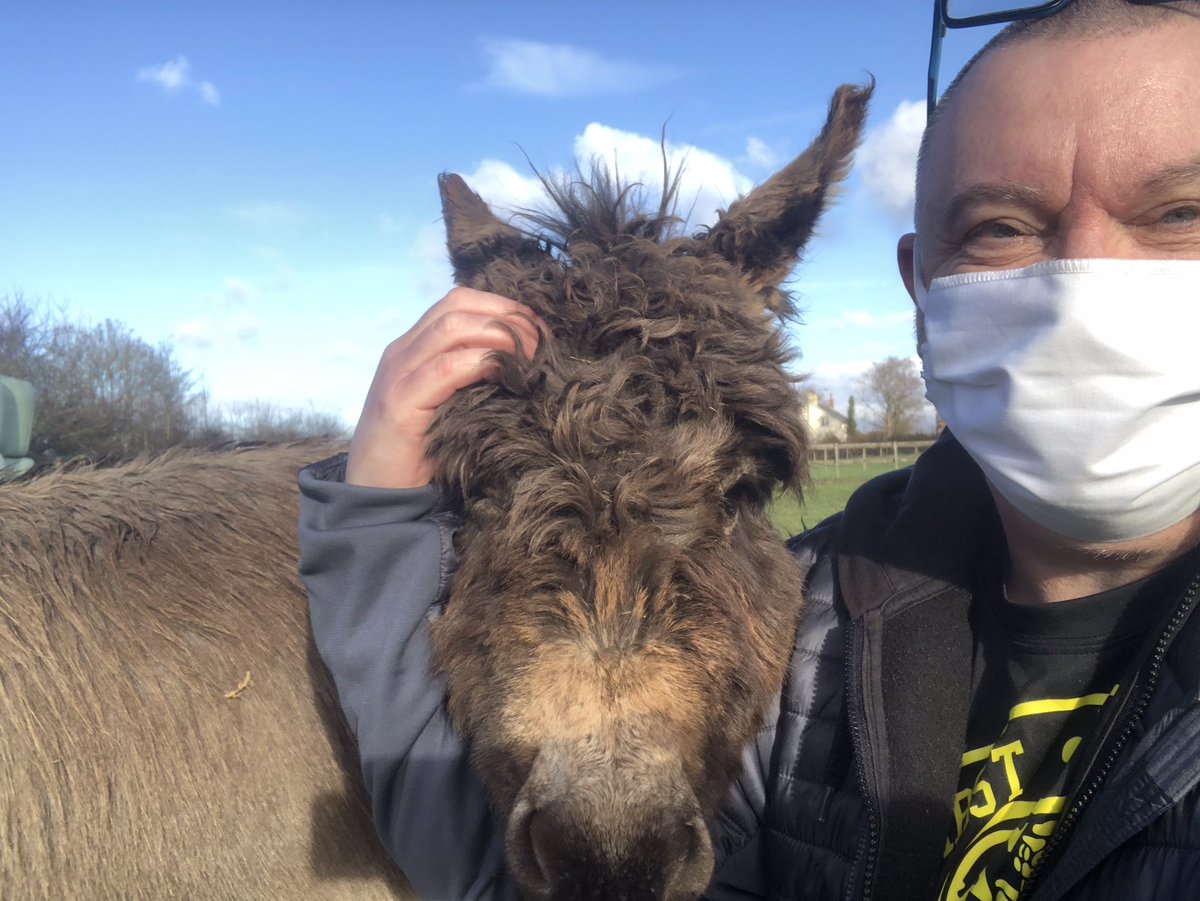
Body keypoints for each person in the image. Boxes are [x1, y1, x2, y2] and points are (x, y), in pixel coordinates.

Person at [298, 1, 1200, 897]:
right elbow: (495, 876)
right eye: (1002, 226)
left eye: (1181, 211)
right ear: (920, 283)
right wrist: (375, 511)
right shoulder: (814, 634)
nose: (1087, 278)